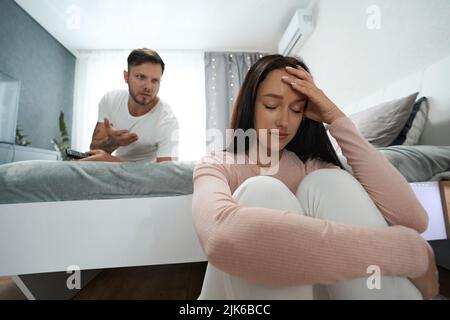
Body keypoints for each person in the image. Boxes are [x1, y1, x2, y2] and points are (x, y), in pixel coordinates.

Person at [192, 55, 439, 300]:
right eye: (270, 106)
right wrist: (405, 253)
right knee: (262, 190)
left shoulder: (310, 167)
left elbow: (414, 219)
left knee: (331, 181)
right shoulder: (216, 164)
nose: (284, 121)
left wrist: (335, 117)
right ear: (250, 105)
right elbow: (221, 238)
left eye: (296, 109)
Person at [83, 48, 178, 163]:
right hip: (112, 175)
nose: (148, 86)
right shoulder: (110, 100)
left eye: (155, 81)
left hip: (147, 179)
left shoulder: (167, 120)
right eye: (141, 77)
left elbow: (167, 174)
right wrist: (114, 142)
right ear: (126, 76)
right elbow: (94, 150)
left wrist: (115, 162)